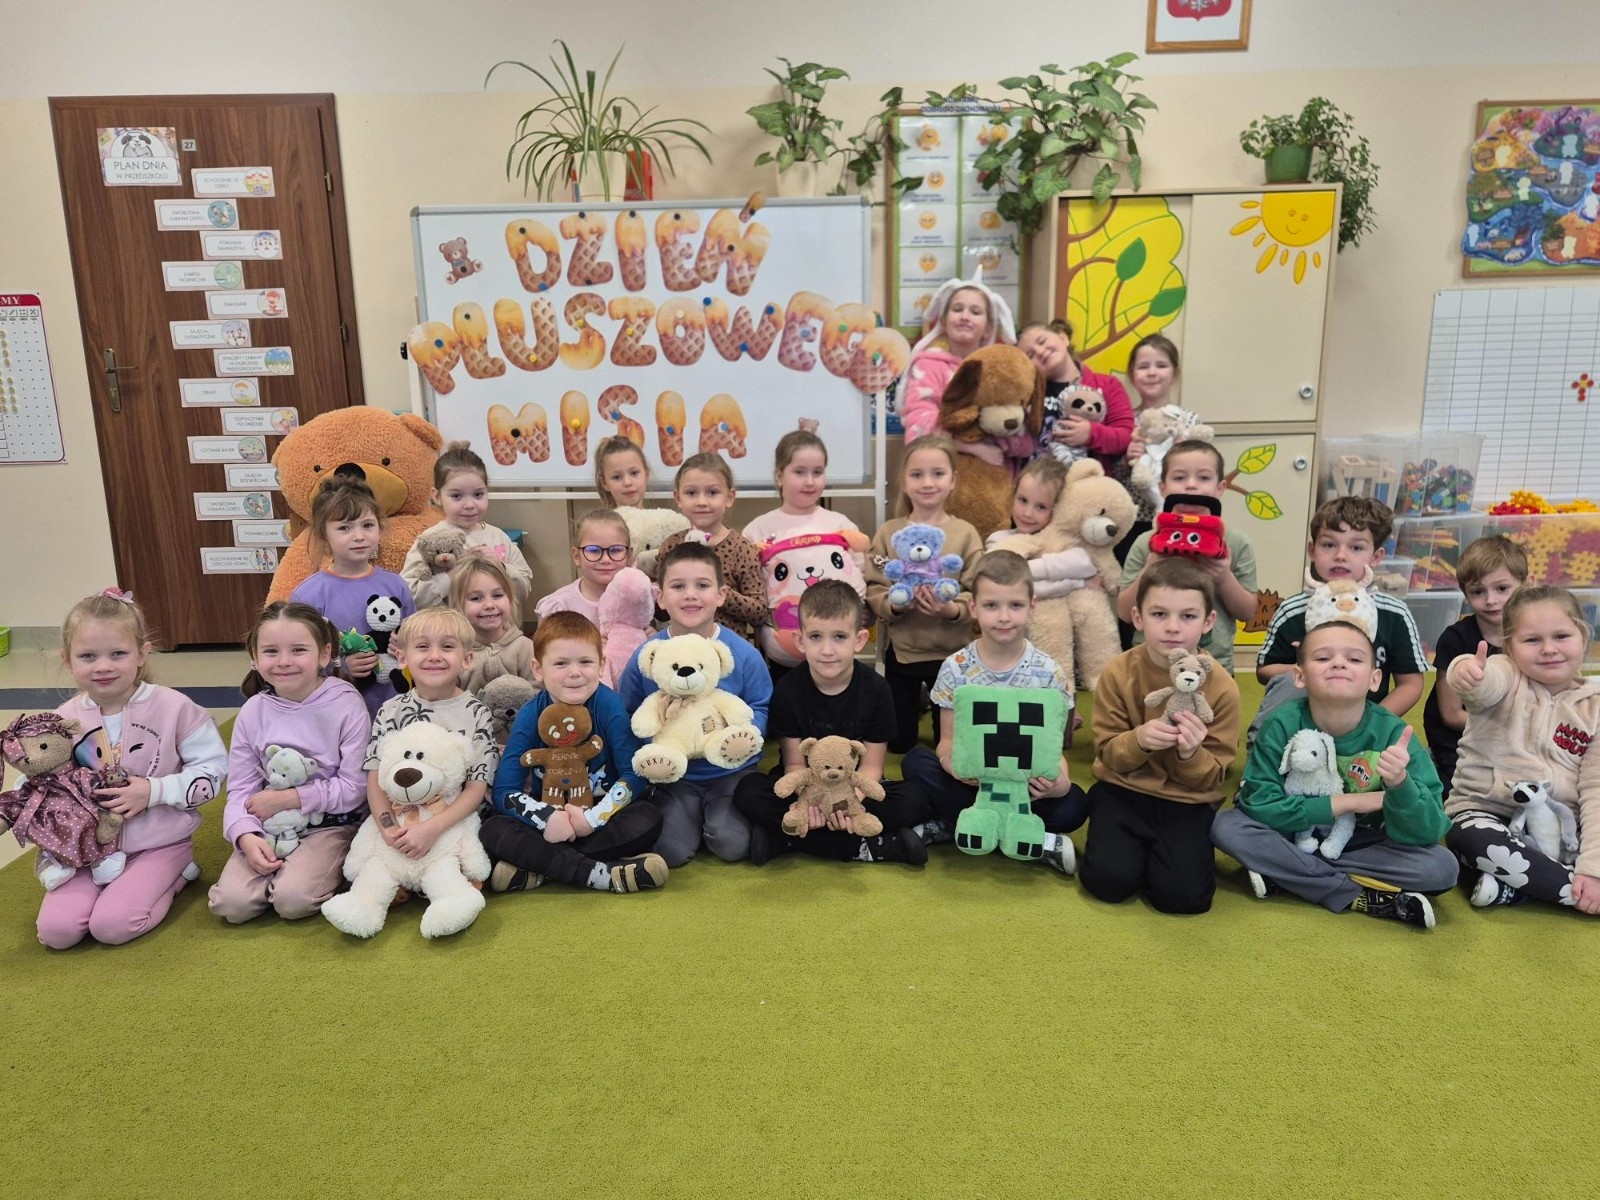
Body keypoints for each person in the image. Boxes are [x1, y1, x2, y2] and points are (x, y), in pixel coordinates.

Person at [1212, 617, 1456, 930]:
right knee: (1226, 826)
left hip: (1361, 842)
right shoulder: (1281, 724)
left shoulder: (1394, 734)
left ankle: (1289, 874)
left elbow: (1430, 828)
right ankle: (1355, 893)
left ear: (1374, 679)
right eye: (1323, 657)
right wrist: (1351, 803)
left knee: (1441, 867)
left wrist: (1401, 785)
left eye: (1354, 659)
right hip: (1292, 832)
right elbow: (1258, 803)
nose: (1339, 663)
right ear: (1299, 676)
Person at [36, 591, 226, 949]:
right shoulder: (61, 720)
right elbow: (42, 778)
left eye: (118, 654)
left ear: (142, 654)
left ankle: (177, 873)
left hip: (159, 843)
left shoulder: (174, 708)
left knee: (112, 926)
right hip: (87, 851)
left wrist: (153, 791)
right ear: (67, 660)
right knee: (56, 933)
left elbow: (213, 771)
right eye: (88, 656)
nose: (103, 666)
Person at [900, 551, 1084, 874]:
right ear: (973, 607)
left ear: (1032, 605)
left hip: (1024, 788)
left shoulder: (1048, 672)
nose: (1004, 617)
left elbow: (1053, 750)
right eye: (991, 605)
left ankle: (957, 825)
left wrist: (1060, 783)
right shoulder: (955, 667)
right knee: (916, 762)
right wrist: (954, 766)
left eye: (1015, 605)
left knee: (1075, 804)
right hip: (972, 785)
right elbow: (947, 741)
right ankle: (1028, 838)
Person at [1079, 557, 1241, 914]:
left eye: (1188, 616)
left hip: (1186, 801)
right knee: (1107, 883)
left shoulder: (1222, 687)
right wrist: (1138, 740)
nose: (1172, 627)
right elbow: (1108, 752)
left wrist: (1190, 754)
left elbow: (1213, 776)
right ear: (1138, 618)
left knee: (1183, 899)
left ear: (1208, 622)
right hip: (1123, 790)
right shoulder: (1118, 672)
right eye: (1159, 614)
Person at [733, 581, 932, 866]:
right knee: (748, 791)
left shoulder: (877, 689)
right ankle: (870, 846)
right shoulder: (788, 689)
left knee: (915, 799)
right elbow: (794, 763)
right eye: (816, 637)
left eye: (839, 637)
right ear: (800, 641)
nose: (827, 650)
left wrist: (851, 800)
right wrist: (811, 801)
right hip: (805, 786)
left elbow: (872, 766)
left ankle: (789, 839)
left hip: (854, 786)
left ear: (859, 640)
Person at [481, 611, 668, 894]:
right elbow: (505, 790)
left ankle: (540, 868)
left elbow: (633, 775)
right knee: (492, 829)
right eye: (560, 663)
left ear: (601, 664)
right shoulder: (531, 713)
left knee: (647, 817)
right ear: (537, 669)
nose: (575, 672)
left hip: (601, 817)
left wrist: (593, 819)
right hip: (550, 819)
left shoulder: (610, 706)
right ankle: (599, 874)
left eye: (585, 662)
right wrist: (547, 817)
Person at [208, 602, 371, 924]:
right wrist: (245, 835)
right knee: (232, 905)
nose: (284, 661)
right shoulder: (253, 711)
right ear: (255, 658)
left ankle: (337, 867)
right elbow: (241, 787)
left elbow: (356, 787)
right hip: (268, 823)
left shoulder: (347, 705)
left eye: (298, 650)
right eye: (271, 651)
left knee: (292, 901)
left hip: (331, 823)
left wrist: (289, 799)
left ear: (324, 654)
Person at [1443, 585, 1600, 912]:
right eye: (1532, 640)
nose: (1549, 649)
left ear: (1584, 637)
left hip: (1562, 829)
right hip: (1486, 813)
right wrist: (1468, 673)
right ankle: (1573, 890)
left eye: (1561, 636)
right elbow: (1483, 684)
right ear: (1510, 648)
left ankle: (1518, 888)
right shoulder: (1506, 674)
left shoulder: (1595, 706)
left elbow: (1596, 788)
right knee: (1470, 840)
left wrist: (1593, 866)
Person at [618, 541, 772, 865]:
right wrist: (655, 750)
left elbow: (760, 705)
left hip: (731, 772)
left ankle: (720, 821)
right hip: (675, 776)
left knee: (731, 845)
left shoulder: (742, 653)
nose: (690, 595)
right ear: (660, 596)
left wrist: (742, 739)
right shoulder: (648, 655)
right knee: (670, 851)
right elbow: (629, 710)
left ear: (721, 594)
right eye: (678, 586)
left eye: (702, 585)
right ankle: (688, 821)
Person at [1252, 496, 1425, 737]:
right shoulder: (1292, 610)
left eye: (1356, 548)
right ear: (1312, 550)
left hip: (1367, 725)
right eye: (1329, 545)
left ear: (1376, 556)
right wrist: (1309, 666)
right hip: (1298, 726)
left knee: (1406, 755)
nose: (1341, 555)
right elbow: (1265, 670)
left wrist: (1373, 723)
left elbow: (1411, 684)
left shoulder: (1394, 614)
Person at [863, 435, 984, 754]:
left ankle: (932, 704)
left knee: (952, 742)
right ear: (904, 482)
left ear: (952, 480)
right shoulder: (889, 533)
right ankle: (915, 704)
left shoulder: (965, 533)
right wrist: (895, 605)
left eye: (938, 473)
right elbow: (874, 585)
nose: (928, 483)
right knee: (899, 743)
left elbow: (978, 591)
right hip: (903, 652)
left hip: (953, 654)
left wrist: (953, 610)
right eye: (917, 474)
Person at [362, 608, 499, 869]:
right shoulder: (390, 711)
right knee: (374, 865)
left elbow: (476, 787)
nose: (434, 656)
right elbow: (375, 779)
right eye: (422, 647)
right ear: (402, 657)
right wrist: (390, 830)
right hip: (398, 817)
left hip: (452, 820)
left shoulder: (477, 713)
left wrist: (432, 828)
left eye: (447, 646)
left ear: (466, 659)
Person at [1114, 439, 1259, 674]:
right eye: (1180, 477)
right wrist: (1151, 566)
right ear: (1162, 488)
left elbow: (1247, 612)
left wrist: (1223, 576)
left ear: (1220, 488)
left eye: (1203, 477)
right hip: (1150, 663)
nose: (1191, 485)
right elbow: (1124, 612)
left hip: (1213, 664)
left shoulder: (1236, 542)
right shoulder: (1145, 543)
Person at [290, 476, 416, 717]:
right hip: (335, 711)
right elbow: (298, 655)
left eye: (367, 525)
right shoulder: (309, 595)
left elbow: (418, 638)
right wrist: (340, 666)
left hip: (396, 706)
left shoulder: (396, 585)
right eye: (344, 528)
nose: (359, 536)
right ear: (323, 534)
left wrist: (406, 646)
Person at [1422, 535, 1527, 794]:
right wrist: (1509, 729)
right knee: (1464, 795)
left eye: (1502, 589)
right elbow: (1450, 714)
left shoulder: (1532, 635)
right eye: (1478, 591)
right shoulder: (1454, 639)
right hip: (1459, 741)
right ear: (1465, 594)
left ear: (1525, 584)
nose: (1490, 600)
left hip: (1516, 738)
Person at [898, 277, 1021, 466]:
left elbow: (1016, 428)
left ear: (988, 329)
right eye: (957, 309)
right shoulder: (927, 365)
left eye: (975, 312)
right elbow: (917, 426)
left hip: (993, 474)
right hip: (939, 469)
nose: (964, 316)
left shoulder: (998, 370)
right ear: (944, 321)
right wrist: (971, 447)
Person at [654, 451, 768, 646]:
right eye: (691, 493)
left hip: (726, 652)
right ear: (678, 497)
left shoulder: (743, 549)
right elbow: (662, 608)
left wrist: (717, 591)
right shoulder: (671, 545)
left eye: (712, 493)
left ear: (729, 497)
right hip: (680, 650)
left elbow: (759, 612)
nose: (702, 502)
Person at [400, 441, 533, 606]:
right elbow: (408, 596)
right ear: (437, 496)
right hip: (450, 622)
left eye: (478, 494)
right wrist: (453, 575)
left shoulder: (498, 537)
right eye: (456, 496)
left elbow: (524, 589)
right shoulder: (429, 540)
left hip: (497, 622)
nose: (469, 505)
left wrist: (500, 566)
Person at [1015, 320, 1135, 473]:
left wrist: (1091, 434)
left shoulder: (1108, 385)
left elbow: (1125, 436)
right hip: (1042, 483)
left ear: (1063, 338)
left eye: (1042, 341)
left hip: (1091, 482)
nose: (1039, 351)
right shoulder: (1027, 397)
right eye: (1030, 355)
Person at [984, 456, 1101, 598]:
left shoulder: (1064, 544)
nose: (1027, 513)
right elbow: (1013, 589)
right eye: (1023, 500)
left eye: (1041, 507)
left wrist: (1019, 570)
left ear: (1059, 509)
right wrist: (1077, 584)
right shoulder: (998, 540)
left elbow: (1084, 564)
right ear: (1013, 495)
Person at [741, 428, 863, 548]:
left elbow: (858, 560)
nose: (810, 482)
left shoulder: (842, 527)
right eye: (799, 472)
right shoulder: (757, 531)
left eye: (817, 472)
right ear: (779, 475)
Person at [535, 507, 637, 627]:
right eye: (594, 550)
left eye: (615, 550)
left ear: (629, 555)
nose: (605, 559)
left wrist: (650, 634)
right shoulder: (560, 607)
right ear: (576, 556)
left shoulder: (638, 598)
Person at [451, 557, 535, 694]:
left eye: (497, 595)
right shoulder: (454, 652)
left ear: (510, 599)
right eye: (476, 598)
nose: (489, 605)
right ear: (458, 605)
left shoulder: (525, 648)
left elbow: (538, 693)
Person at [595, 435, 651, 508]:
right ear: (604, 482)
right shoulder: (598, 517)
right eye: (617, 477)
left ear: (647, 474)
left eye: (634, 473)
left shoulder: (662, 515)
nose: (627, 482)